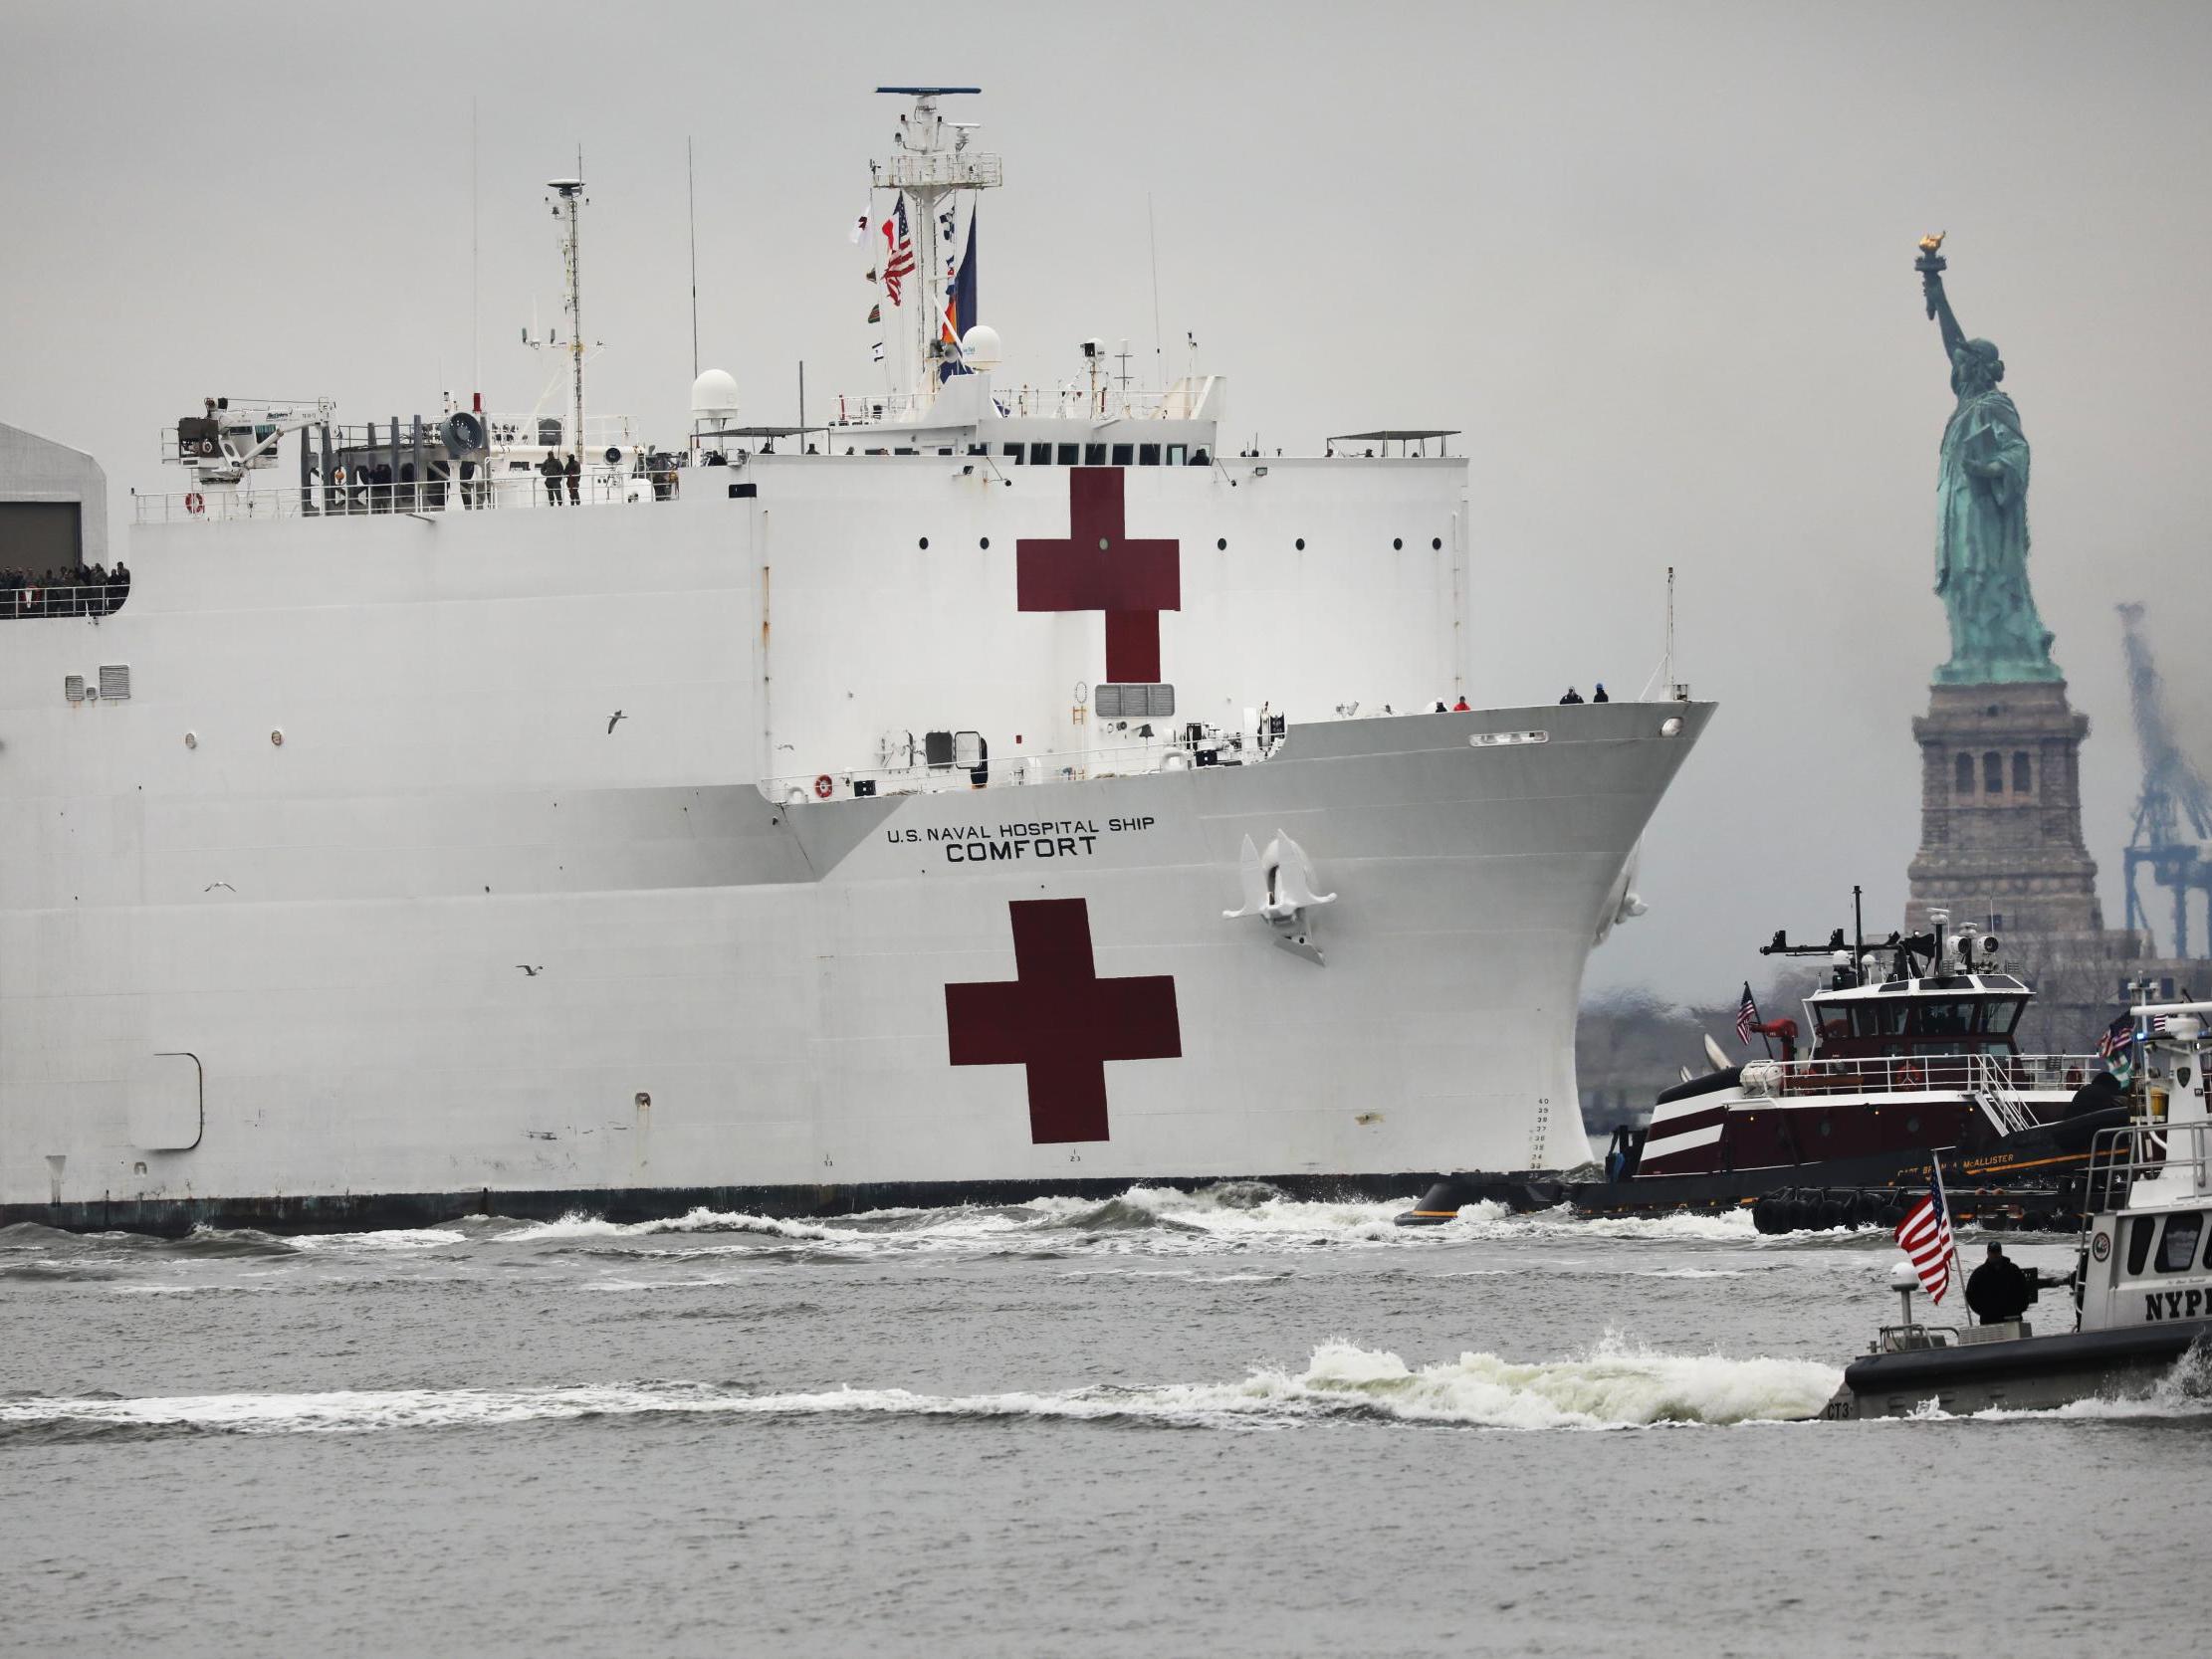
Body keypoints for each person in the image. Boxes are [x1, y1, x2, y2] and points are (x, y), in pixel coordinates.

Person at [1964, 1241, 2031, 1326]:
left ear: (2001, 1252)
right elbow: (1970, 1295)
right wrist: (1983, 1312)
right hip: (1989, 1319)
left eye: (1997, 1251)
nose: (1995, 1255)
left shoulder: (2013, 1270)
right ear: (1988, 1253)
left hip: (2012, 1317)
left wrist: (2019, 1309)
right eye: (1992, 1252)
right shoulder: (1979, 1273)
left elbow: (2024, 1290)